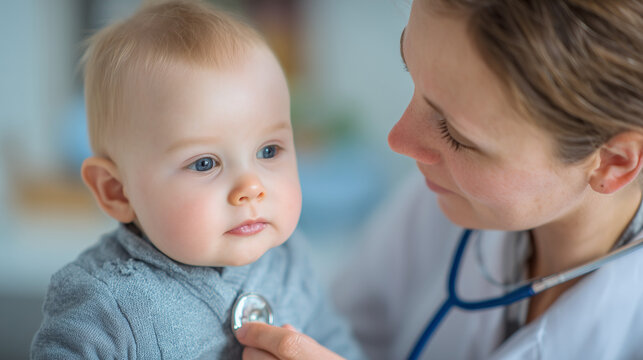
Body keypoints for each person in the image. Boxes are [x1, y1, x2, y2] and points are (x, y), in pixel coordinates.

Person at [235, 0, 643, 359]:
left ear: (614, 163)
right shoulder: (445, 198)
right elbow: (340, 324)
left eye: (455, 134)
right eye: (409, 71)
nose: (398, 139)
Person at [30, 1, 364, 359]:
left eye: (269, 151)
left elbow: (338, 349)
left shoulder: (290, 264)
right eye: (205, 163)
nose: (251, 187)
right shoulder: (102, 304)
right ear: (116, 190)